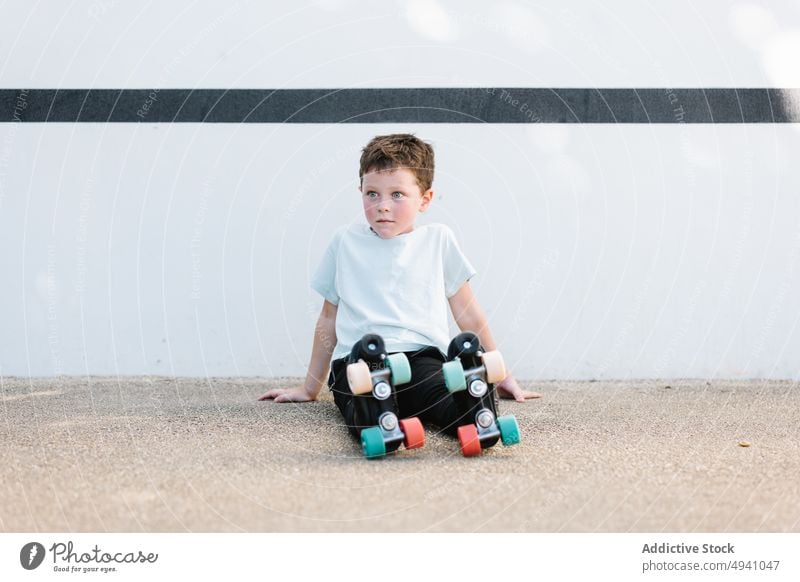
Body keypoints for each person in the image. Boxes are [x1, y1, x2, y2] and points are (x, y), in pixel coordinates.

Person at [258, 133, 540, 438]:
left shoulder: (437, 240)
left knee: (445, 401)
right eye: (372, 194)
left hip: (422, 357)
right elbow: (327, 320)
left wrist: (501, 373)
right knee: (361, 403)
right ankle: (381, 417)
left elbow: (468, 313)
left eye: (397, 194)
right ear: (361, 192)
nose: (382, 206)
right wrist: (309, 387)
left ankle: (475, 407)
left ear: (425, 199)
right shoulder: (344, 242)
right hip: (360, 360)